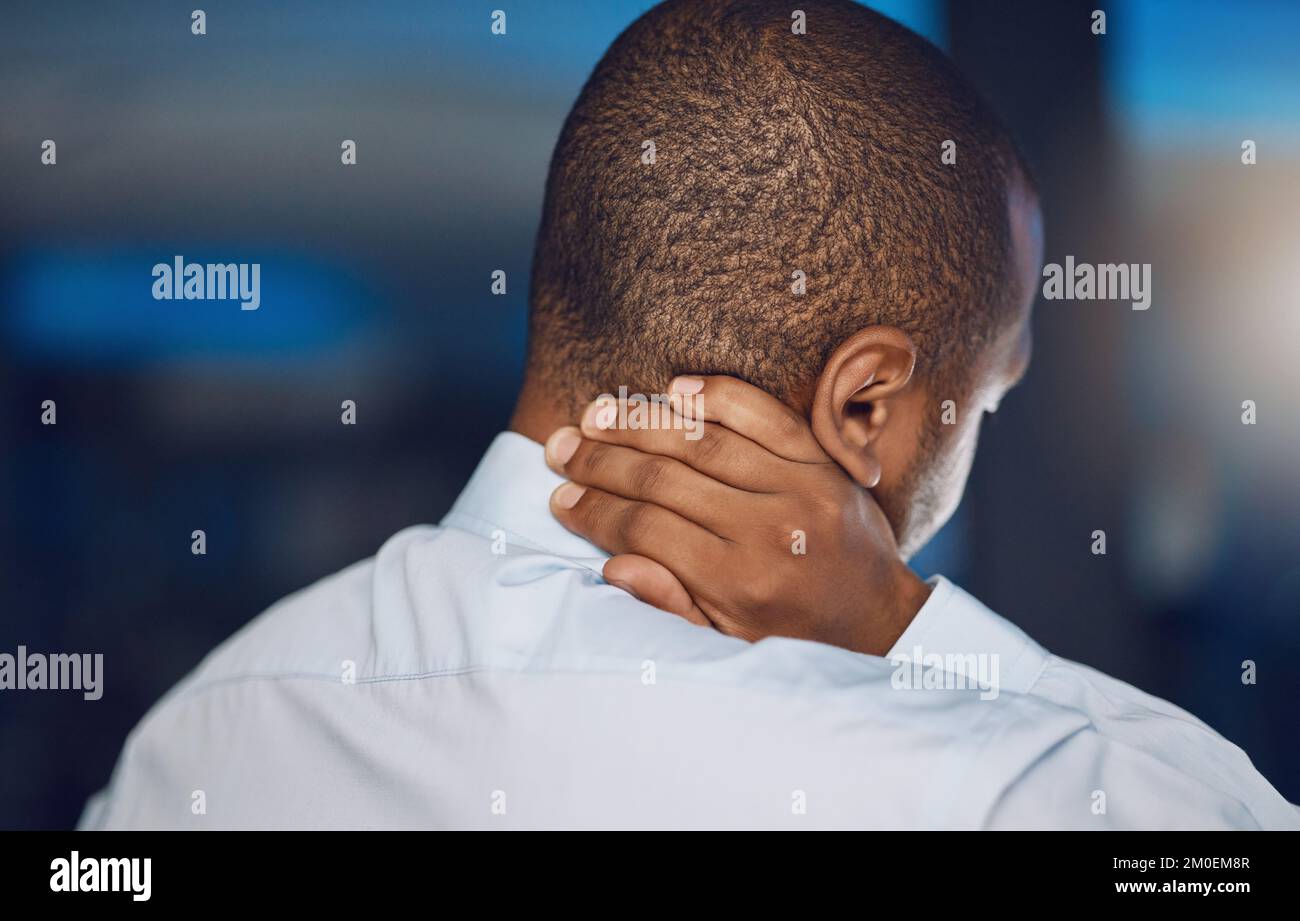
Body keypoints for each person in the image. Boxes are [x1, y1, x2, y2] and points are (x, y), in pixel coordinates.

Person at [81, 0, 1298, 830]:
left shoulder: (203, 735)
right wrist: (902, 627)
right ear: (864, 405)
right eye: (981, 394)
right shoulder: (986, 784)